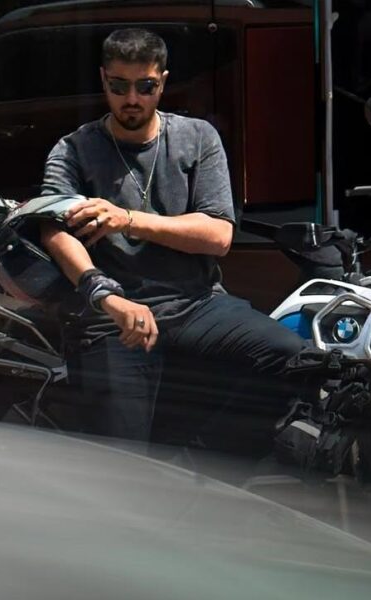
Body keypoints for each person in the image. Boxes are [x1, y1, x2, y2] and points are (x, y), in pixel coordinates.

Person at [38, 28, 308, 444]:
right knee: (124, 456)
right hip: (112, 314)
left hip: (194, 303)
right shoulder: (75, 149)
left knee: (290, 356)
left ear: (162, 82)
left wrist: (127, 219)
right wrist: (106, 296)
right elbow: (54, 231)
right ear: (103, 80)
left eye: (145, 86)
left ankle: (214, 457)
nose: (132, 99)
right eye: (119, 86)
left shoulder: (197, 138)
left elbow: (218, 235)